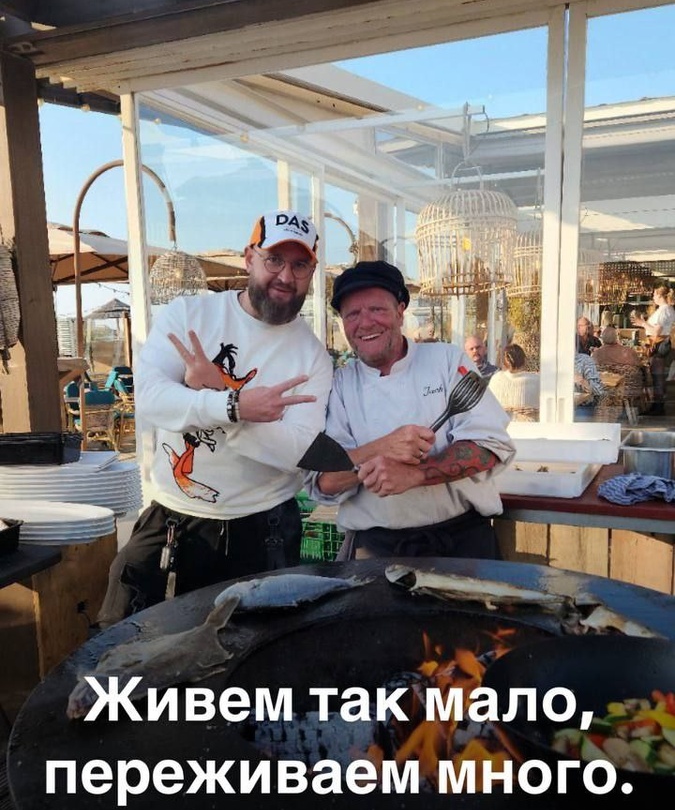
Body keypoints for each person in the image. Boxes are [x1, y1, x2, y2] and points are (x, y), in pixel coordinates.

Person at [99, 211, 333, 623]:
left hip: (266, 528)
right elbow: (151, 400)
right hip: (173, 519)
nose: (285, 276)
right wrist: (231, 406)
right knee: (127, 638)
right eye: (274, 260)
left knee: (260, 651)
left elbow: (297, 450)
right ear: (249, 258)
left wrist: (213, 399)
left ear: (312, 273)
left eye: (300, 265)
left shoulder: (312, 355)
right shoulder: (190, 315)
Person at [309, 261, 515, 560]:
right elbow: (325, 481)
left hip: (462, 545)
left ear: (400, 311)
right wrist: (383, 448)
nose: (365, 323)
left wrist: (416, 474)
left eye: (377, 309)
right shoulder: (340, 384)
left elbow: (489, 447)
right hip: (375, 551)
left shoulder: (447, 360)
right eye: (352, 314)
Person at [631, 286, 675, 414]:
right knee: (657, 376)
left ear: (660, 296)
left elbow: (656, 332)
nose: (653, 297)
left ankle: (658, 407)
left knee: (658, 376)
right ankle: (656, 405)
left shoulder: (665, 310)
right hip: (657, 343)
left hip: (659, 344)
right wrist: (643, 323)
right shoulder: (663, 309)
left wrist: (642, 323)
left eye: (655, 294)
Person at [488, 345, 540, 420]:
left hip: (501, 425)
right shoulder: (536, 380)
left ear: (504, 363)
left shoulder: (496, 379)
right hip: (530, 425)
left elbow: (489, 406)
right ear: (525, 360)